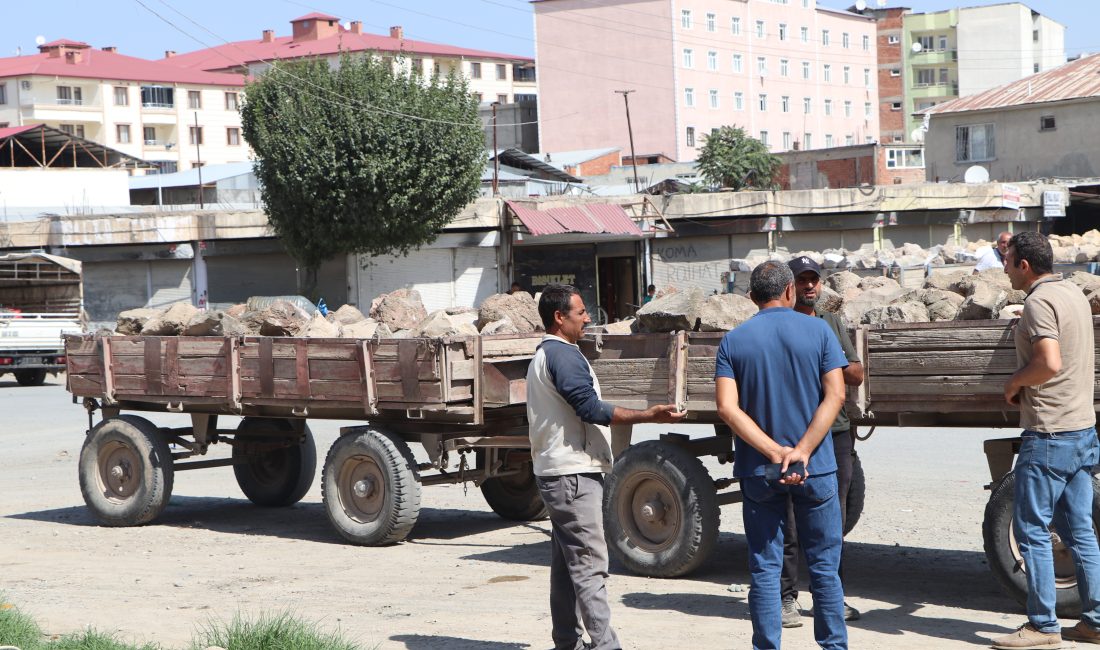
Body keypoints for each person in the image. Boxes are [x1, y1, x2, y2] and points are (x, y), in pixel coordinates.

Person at [527, 283, 686, 650]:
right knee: (589, 564)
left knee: (568, 564)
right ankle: (604, 645)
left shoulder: (548, 355)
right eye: (580, 312)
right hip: (572, 475)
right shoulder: (563, 356)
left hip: (560, 472)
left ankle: (567, 641)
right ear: (559, 317)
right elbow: (589, 408)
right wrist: (647, 414)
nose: (587, 319)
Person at [715, 261, 849, 650]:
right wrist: (803, 451)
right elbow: (836, 395)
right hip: (816, 468)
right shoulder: (819, 330)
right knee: (824, 569)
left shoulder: (734, 341)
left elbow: (727, 408)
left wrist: (775, 452)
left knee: (765, 568)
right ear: (790, 290)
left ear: (751, 297)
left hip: (760, 470)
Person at [991, 232, 1100, 650]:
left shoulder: (1039, 302)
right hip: (1081, 429)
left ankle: (1042, 625)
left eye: (1008, 260)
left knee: (1032, 529)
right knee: (1081, 530)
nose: (1004, 267)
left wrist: (1013, 382)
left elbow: (1049, 362)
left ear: (1024, 265)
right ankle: (1093, 620)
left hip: (1049, 431)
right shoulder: (1072, 293)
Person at [781, 257, 865, 628]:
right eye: (803, 281)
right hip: (793, 433)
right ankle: (786, 598)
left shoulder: (830, 323)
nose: (810, 287)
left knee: (834, 519)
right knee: (789, 520)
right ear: (790, 286)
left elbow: (857, 374)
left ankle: (830, 596)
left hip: (836, 433)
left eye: (814, 280)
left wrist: (827, 357)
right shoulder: (780, 323)